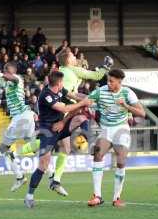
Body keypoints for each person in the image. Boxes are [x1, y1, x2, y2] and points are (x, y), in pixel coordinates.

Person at [20, 51, 112, 195]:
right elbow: (96, 76)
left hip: (56, 111)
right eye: (73, 56)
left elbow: (72, 94)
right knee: (67, 136)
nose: (75, 58)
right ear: (68, 60)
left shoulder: (58, 73)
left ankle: (55, 180)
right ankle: (93, 144)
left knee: (65, 147)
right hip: (62, 110)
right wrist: (105, 67)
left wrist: (88, 100)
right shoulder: (73, 70)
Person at [24, 71, 93, 208]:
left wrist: (90, 98)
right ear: (59, 83)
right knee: (43, 164)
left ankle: (85, 142)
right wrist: (82, 103)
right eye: (62, 82)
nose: (63, 84)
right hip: (48, 131)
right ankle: (29, 196)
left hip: (60, 127)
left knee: (81, 118)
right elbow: (65, 108)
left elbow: (75, 95)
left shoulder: (60, 90)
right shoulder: (46, 95)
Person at [87, 69, 145, 207]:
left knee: (120, 161)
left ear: (119, 82)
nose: (108, 83)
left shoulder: (127, 93)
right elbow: (86, 99)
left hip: (121, 128)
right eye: (108, 80)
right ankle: (97, 196)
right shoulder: (101, 91)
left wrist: (126, 105)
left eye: (111, 81)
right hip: (106, 129)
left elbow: (142, 113)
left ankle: (116, 198)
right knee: (97, 154)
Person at [0, 62, 36, 192]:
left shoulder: (17, 79)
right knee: (35, 147)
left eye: (6, 69)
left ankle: (20, 177)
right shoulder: (9, 85)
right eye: (4, 69)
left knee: (3, 147)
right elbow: (10, 100)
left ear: (13, 70)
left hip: (20, 118)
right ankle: (53, 176)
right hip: (26, 117)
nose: (5, 71)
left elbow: (12, 78)